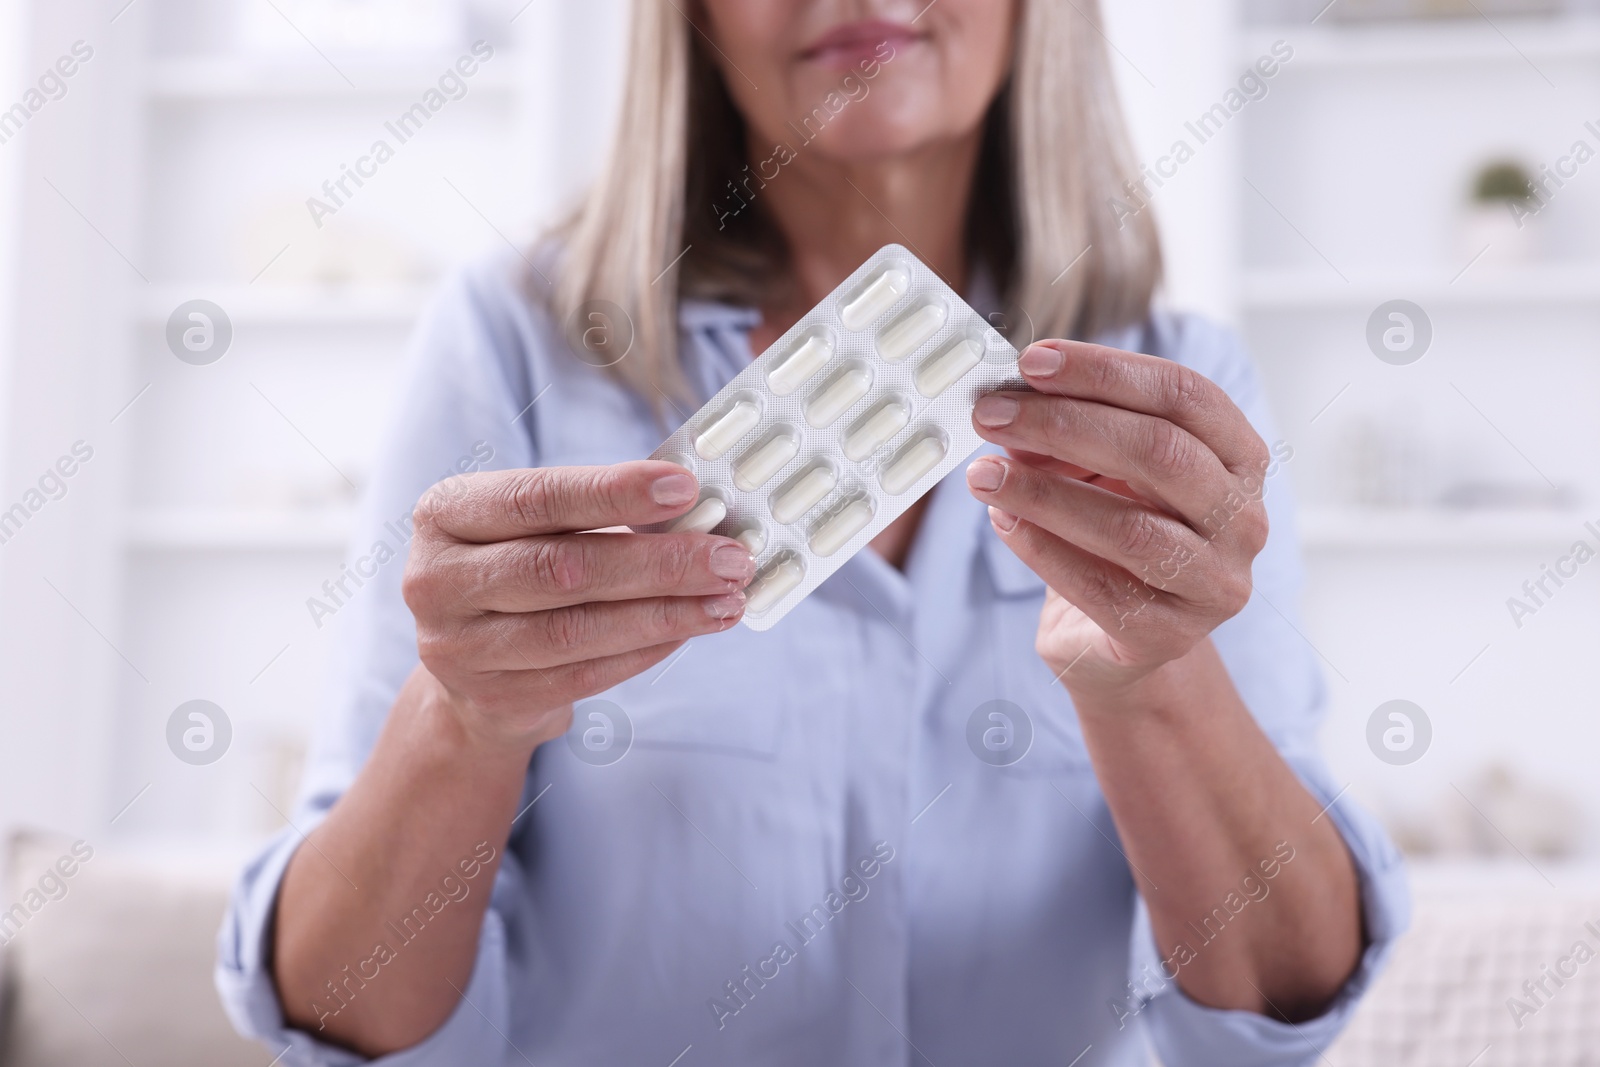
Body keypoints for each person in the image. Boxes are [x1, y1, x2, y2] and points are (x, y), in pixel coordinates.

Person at [217, 2, 1408, 1064]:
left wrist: (1154, 686)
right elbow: (342, 1012)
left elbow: (1274, 1009)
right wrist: (459, 720)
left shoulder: (1174, 391)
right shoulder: (512, 345)